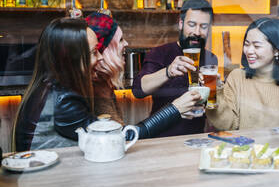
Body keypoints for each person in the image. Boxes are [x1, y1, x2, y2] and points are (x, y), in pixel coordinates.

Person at [13, 17, 201, 152]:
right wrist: (175, 109)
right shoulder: (64, 100)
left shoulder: (54, 87)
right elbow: (118, 140)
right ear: (71, 59)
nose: (100, 57)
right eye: (95, 52)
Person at [86, 12, 201, 127]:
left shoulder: (103, 83)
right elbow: (120, 136)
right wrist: (175, 109)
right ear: (106, 49)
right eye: (120, 40)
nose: (126, 43)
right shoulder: (95, 88)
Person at [132, 0, 218, 137]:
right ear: (181, 24)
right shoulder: (159, 53)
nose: (197, 32)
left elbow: (210, 105)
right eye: (191, 24)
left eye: (203, 26)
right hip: (160, 138)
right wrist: (168, 71)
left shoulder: (211, 58)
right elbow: (138, 90)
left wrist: (215, 91)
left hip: (196, 138)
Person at [206, 18, 279, 130]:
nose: (249, 51)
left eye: (257, 46)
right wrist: (214, 92)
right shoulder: (237, 77)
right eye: (246, 44)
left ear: (276, 50)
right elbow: (227, 126)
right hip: (242, 147)